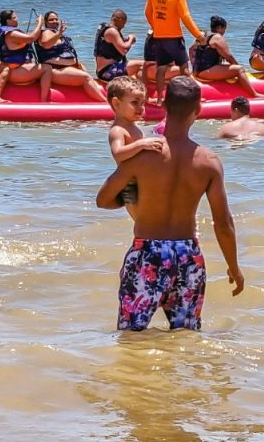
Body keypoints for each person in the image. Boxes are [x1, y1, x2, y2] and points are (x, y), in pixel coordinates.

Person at [96, 76, 245, 330]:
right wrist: (234, 268)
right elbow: (223, 224)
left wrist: (136, 198)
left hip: (146, 254)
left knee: (131, 336)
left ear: (164, 105)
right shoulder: (209, 162)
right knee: (186, 335)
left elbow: (103, 199)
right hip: (188, 256)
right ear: (198, 109)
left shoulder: (142, 155)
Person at [143, 0, 206, 104]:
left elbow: (148, 13)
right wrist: (198, 35)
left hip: (159, 37)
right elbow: (186, 17)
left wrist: (156, 27)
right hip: (174, 37)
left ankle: (160, 99)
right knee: (184, 67)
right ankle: (193, 98)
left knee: (161, 68)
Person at [106, 76, 163, 215]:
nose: (140, 108)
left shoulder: (134, 127)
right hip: (130, 186)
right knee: (141, 220)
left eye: (142, 103)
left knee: (152, 218)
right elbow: (118, 153)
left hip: (143, 181)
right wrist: (141, 144)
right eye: (134, 103)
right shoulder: (118, 130)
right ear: (116, 104)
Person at [36, 11, 107, 101]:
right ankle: (104, 102)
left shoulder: (58, 34)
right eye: (51, 20)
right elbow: (46, 44)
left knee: (90, 78)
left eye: (56, 19)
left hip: (67, 68)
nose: (54, 21)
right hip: (55, 70)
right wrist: (58, 34)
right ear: (46, 23)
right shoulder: (46, 32)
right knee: (85, 77)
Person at [189, 16, 263, 98]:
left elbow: (191, 49)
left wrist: (194, 68)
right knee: (239, 69)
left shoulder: (202, 35)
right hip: (205, 72)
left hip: (197, 72)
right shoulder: (217, 37)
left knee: (226, 64)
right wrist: (240, 69)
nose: (224, 32)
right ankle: (254, 94)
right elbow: (229, 57)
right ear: (219, 28)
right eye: (224, 29)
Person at [0, 9, 53, 103]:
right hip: (14, 72)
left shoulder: (7, 32)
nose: (17, 19)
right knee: (47, 68)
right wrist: (40, 23)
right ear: (8, 21)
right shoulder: (11, 34)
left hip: (13, 68)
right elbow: (31, 38)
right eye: (14, 17)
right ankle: (43, 100)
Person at [94, 10, 144, 83]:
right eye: (124, 23)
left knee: (139, 67)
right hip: (108, 72)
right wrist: (131, 38)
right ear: (119, 20)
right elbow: (124, 50)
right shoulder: (112, 31)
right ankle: (145, 88)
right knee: (143, 65)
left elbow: (115, 43)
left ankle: (140, 84)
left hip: (104, 71)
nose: (123, 26)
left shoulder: (107, 29)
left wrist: (127, 40)